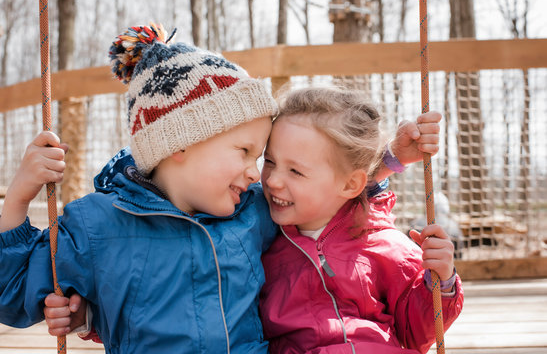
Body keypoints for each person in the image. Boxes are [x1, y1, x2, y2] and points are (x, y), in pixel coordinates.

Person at [8, 24, 441, 352]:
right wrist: (19, 196)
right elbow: (12, 291)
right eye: (246, 152)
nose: (259, 175)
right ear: (181, 144)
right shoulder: (97, 226)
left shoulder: (251, 213)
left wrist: (389, 160)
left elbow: (328, 202)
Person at [258, 87, 463, 354]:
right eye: (270, 161)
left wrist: (441, 282)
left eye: (295, 171)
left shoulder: (385, 246)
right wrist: (392, 157)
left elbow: (418, 334)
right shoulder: (258, 230)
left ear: (351, 184)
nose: (272, 180)